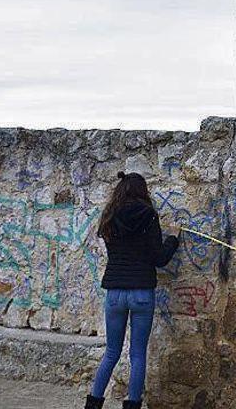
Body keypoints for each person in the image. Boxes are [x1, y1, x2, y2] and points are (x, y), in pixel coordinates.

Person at [84, 172, 180, 409]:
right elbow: (159, 258)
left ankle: (94, 403)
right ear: (143, 191)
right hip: (141, 292)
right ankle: (133, 404)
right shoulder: (149, 216)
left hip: (115, 292)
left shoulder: (109, 217)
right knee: (137, 355)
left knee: (111, 352)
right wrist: (173, 239)